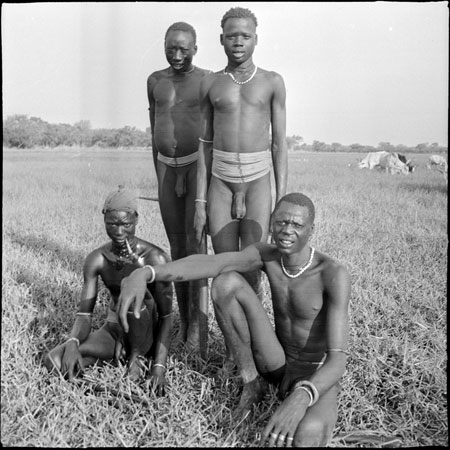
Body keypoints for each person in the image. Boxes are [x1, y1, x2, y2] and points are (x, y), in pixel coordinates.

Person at [118, 193, 351, 447]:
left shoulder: (332, 273)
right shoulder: (267, 255)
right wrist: (147, 272)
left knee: (305, 436)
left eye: (297, 225)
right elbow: (213, 263)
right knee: (225, 282)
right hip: (277, 362)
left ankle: (300, 402)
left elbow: (338, 359)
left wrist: (303, 395)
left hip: (314, 373)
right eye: (281, 222)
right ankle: (252, 384)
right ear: (271, 223)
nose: (287, 231)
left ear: (311, 230)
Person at [194, 6, 288, 299]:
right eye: (232, 36)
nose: (238, 42)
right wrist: (200, 201)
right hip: (221, 180)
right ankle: (231, 339)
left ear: (256, 39)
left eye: (245, 36)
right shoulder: (210, 82)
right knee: (223, 267)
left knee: (252, 264)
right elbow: (204, 144)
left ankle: (253, 339)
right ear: (221, 39)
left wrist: (281, 200)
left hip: (258, 179)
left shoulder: (272, 81)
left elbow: (279, 144)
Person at [44, 186, 173, 395]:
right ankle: (103, 373)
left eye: (126, 224)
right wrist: (72, 343)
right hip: (113, 331)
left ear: (136, 219)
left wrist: (159, 368)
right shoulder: (97, 259)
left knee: (130, 285)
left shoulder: (154, 258)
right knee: (53, 360)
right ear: (104, 220)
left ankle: (136, 358)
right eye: (112, 224)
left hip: (145, 335)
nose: (120, 232)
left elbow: (167, 316)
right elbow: (85, 314)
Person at [147, 22, 212, 351]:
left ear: (195, 49)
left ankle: (199, 333)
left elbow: (213, 135)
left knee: (196, 248)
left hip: (195, 168)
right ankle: (184, 324)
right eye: (170, 47)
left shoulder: (207, 80)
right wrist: (159, 174)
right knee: (176, 249)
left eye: (183, 49)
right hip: (166, 171)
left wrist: (203, 183)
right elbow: (154, 129)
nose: (176, 54)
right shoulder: (154, 81)